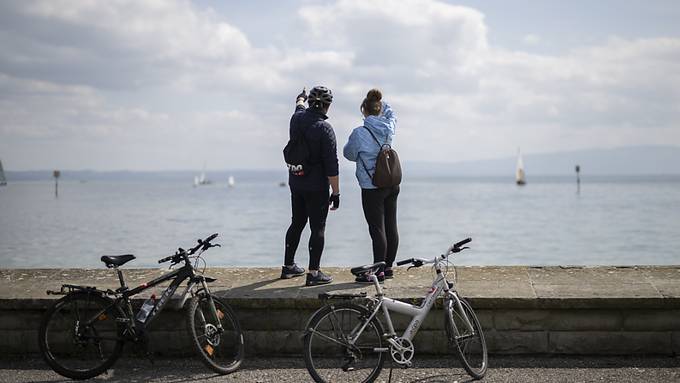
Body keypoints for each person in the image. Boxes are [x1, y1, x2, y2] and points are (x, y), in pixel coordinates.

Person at [281, 86, 340, 286]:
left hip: (296, 182)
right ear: (327, 105)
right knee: (318, 228)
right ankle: (313, 273)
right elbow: (332, 165)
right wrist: (336, 192)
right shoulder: (325, 129)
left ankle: (288, 267)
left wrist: (300, 97)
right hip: (316, 187)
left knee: (297, 223)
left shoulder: (296, 118)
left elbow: (298, 105)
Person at [343, 89, 399, 283]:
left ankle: (379, 270)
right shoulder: (389, 127)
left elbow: (348, 154)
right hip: (392, 182)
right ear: (379, 108)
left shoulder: (360, 133)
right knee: (391, 225)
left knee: (377, 228)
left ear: (364, 111)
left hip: (372, 186)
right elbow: (393, 114)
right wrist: (383, 103)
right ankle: (389, 267)